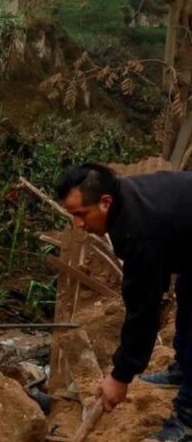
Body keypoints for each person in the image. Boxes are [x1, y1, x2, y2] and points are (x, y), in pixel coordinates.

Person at [56, 163, 192, 441]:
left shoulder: (138, 228)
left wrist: (121, 376)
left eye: (81, 214)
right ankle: (184, 367)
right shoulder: (125, 198)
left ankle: (188, 421)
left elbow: (143, 308)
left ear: (105, 203)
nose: (78, 225)